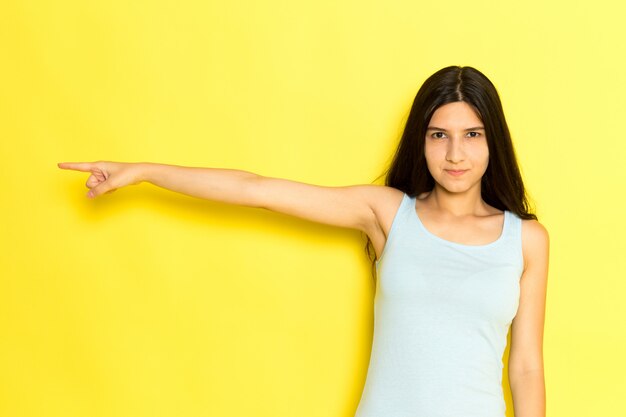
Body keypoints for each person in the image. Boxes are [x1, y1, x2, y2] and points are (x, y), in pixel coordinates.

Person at [58, 65, 548, 417]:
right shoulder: (388, 214)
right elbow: (259, 191)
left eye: (472, 134)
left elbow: (525, 367)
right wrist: (143, 171)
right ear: (421, 141)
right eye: (439, 135)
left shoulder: (525, 240)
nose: (456, 153)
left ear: (492, 139)